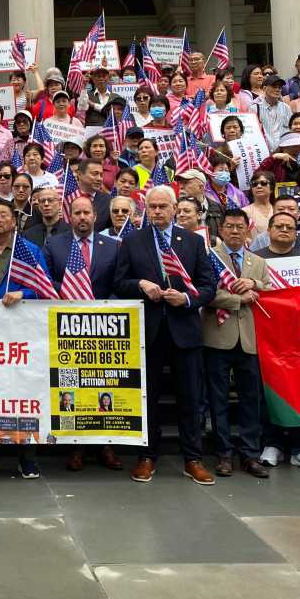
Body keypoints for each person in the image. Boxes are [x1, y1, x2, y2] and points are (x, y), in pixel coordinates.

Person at [112, 185, 217, 485]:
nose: (157, 211)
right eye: (152, 206)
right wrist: (141, 285)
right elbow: (120, 283)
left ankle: (193, 459)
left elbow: (208, 286)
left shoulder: (194, 242)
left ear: (174, 208)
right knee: (150, 397)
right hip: (150, 331)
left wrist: (185, 300)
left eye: (162, 206)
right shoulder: (133, 241)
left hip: (185, 330)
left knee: (190, 397)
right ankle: (147, 456)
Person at [0, 201, 51, 479]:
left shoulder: (30, 252)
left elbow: (45, 290)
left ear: (14, 222)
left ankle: (26, 457)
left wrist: (23, 295)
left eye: (3, 215)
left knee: (23, 395)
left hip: (22, 336)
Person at [43, 195, 123, 472]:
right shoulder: (55, 244)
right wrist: (66, 292)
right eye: (76, 213)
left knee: (103, 386)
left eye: (86, 212)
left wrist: (106, 307)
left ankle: (106, 446)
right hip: (67, 327)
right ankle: (76, 446)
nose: (82, 217)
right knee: (73, 386)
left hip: (104, 329)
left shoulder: (113, 246)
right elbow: (46, 277)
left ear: (95, 216)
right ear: (70, 217)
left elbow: (119, 283)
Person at [202, 210, 270, 479]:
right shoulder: (210, 259)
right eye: (229, 226)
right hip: (217, 336)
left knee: (250, 399)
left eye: (239, 227)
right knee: (217, 399)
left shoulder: (258, 262)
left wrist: (254, 283)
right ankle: (223, 454)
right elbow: (205, 292)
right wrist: (236, 300)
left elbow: (269, 289)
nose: (233, 231)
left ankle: (250, 454)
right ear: (221, 229)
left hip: (250, 339)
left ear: (247, 230)